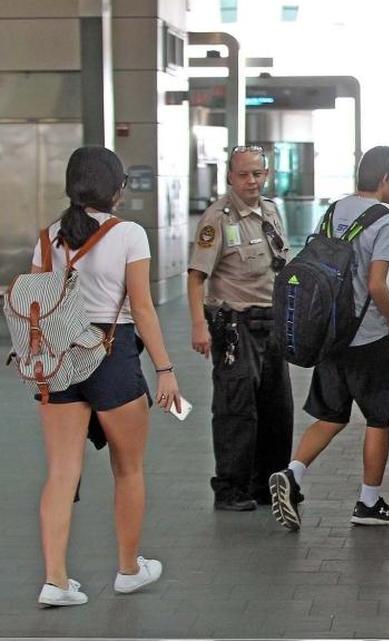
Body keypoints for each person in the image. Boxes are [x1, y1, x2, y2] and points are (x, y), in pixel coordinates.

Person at [30, 146, 180, 606]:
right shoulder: (129, 233)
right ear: (117, 189)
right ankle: (129, 569)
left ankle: (55, 581)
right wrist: (165, 368)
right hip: (111, 353)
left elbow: (38, 303)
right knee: (128, 468)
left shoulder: (48, 236)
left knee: (60, 472)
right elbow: (141, 307)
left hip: (59, 356)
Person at [268, 146, 389, 531]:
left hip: (330, 334)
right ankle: (368, 502)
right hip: (369, 340)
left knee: (330, 415)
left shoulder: (335, 210)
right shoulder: (387, 222)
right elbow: (376, 284)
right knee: (378, 419)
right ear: (384, 179)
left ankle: (294, 473)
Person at [187, 145, 293, 511]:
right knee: (236, 409)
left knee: (277, 409)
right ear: (230, 177)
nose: (251, 180)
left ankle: (268, 485)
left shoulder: (271, 212)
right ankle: (230, 488)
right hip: (236, 325)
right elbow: (196, 277)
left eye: (257, 174)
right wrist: (199, 326)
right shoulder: (218, 218)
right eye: (243, 174)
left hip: (272, 323)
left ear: (266, 175)